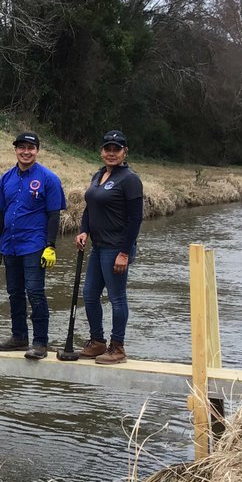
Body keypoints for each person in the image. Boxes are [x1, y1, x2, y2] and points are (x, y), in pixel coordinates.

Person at [0, 131, 64, 360]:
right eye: (22, 147)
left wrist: (51, 245)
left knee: (35, 292)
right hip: (10, 245)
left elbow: (54, 215)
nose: (26, 151)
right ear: (16, 150)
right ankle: (19, 337)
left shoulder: (49, 178)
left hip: (34, 245)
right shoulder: (6, 178)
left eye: (30, 148)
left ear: (37, 150)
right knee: (14, 293)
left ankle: (40, 342)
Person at [73, 130, 143, 365]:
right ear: (101, 151)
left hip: (117, 248)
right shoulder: (99, 175)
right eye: (108, 149)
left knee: (116, 298)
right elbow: (89, 208)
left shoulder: (130, 179)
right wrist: (84, 230)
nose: (111, 153)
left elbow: (135, 219)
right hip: (98, 246)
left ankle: (118, 347)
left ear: (125, 152)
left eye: (117, 149)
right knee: (90, 295)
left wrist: (124, 252)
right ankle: (97, 342)